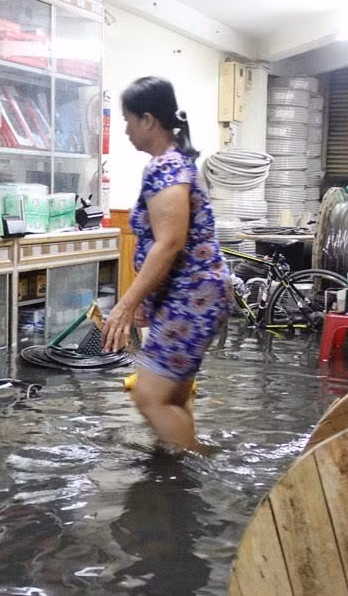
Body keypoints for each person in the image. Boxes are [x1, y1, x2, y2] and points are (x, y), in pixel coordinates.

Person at [101, 76, 231, 454]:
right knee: (172, 396)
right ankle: (182, 465)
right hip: (192, 295)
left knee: (150, 396)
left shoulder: (168, 169)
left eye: (127, 120)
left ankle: (199, 469)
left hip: (194, 296)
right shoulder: (173, 164)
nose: (125, 129)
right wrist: (148, 299)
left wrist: (125, 304)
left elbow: (169, 243)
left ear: (148, 120)